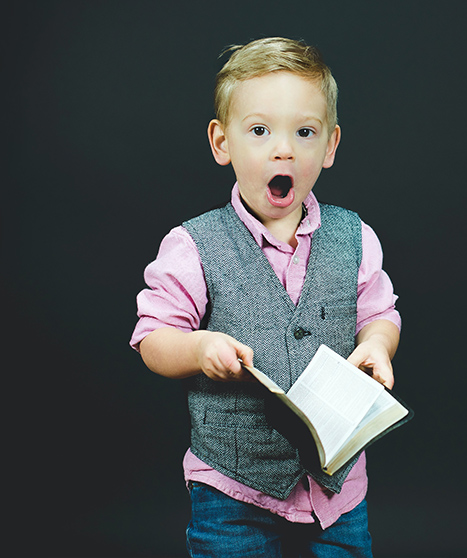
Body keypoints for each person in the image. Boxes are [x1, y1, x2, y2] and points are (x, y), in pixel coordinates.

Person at [130, 37, 401, 557]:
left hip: (336, 491)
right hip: (233, 489)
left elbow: (380, 313)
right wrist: (197, 348)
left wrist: (378, 345)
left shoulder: (355, 237)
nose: (285, 149)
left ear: (330, 146)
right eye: (259, 131)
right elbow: (151, 339)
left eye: (305, 132)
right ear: (221, 143)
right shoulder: (194, 245)